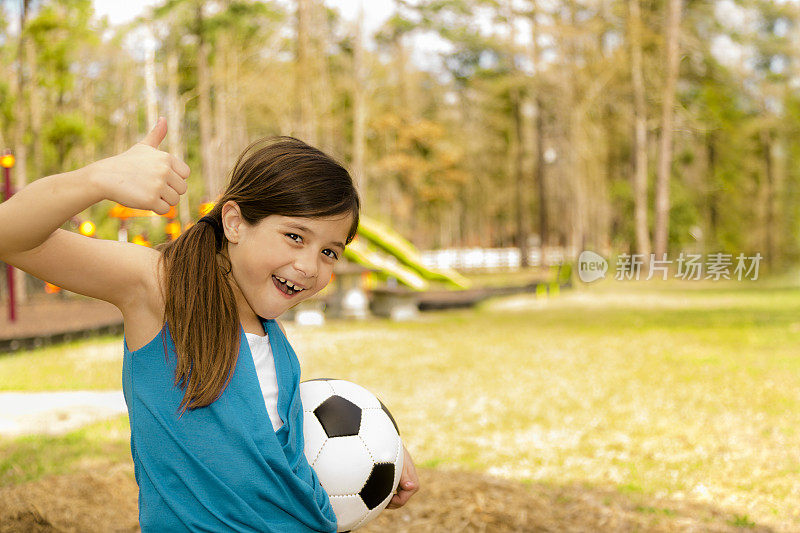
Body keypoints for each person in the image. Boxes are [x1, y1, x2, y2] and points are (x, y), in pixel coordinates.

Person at [0, 117, 419, 531]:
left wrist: (382, 448)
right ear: (235, 222)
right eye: (295, 236)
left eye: (330, 251)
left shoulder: (276, 343)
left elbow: (266, 448)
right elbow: (9, 234)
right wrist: (96, 180)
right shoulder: (162, 289)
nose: (309, 266)